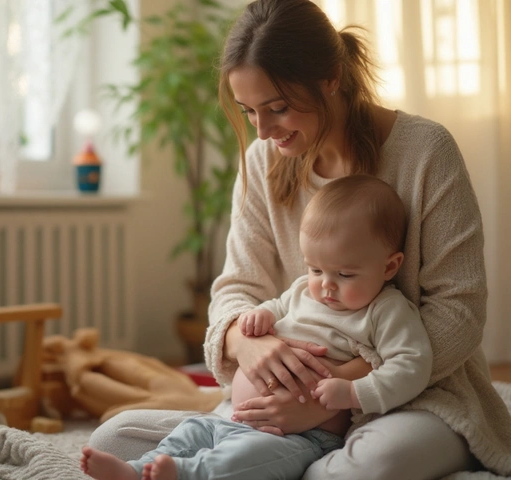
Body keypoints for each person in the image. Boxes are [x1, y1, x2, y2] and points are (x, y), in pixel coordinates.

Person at [88, 0, 511, 478]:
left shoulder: (425, 152)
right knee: (113, 437)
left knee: (373, 465)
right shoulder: (262, 162)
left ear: (331, 77)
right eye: (249, 112)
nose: (264, 132)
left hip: (412, 396)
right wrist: (246, 346)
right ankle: (269, 462)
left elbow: (460, 313)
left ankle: (276, 465)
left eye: (279, 108)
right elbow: (237, 289)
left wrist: (331, 393)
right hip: (281, 406)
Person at [81, 174, 433, 480]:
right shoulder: (301, 291)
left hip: (298, 437)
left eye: (345, 274)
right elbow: (274, 306)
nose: (326, 286)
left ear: (389, 267)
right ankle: (136, 470)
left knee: (246, 460)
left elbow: (413, 364)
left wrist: (354, 393)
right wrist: (258, 316)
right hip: (231, 418)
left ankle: (185, 475)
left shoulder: (385, 310)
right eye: (315, 269)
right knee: (191, 431)